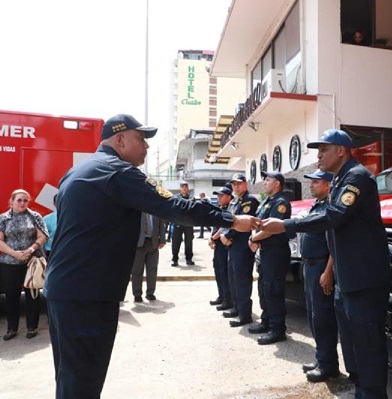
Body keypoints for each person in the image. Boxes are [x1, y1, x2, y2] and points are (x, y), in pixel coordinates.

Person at [44, 114, 259, 399]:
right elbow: (175, 207)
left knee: (70, 377)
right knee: (83, 383)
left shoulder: (79, 171)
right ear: (120, 140)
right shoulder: (118, 171)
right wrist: (230, 220)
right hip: (88, 294)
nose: (146, 147)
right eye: (140, 139)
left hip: (65, 288)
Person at [261, 129, 390, 398]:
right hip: (348, 277)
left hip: (363, 279)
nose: (318, 156)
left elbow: (333, 216)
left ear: (341, 150)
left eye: (323, 150)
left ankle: (371, 393)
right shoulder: (341, 179)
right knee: (352, 343)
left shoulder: (357, 177)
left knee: (367, 344)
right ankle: (359, 388)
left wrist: (285, 225)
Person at [298, 170, 340, 382]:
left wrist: (328, 272)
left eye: (316, 182)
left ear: (328, 185)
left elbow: (334, 246)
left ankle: (328, 366)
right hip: (309, 266)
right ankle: (321, 358)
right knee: (313, 316)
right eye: (311, 182)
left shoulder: (330, 208)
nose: (311, 185)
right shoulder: (316, 205)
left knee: (323, 318)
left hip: (322, 267)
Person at [247, 171, 291, 345]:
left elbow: (272, 228)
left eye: (267, 180)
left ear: (277, 183)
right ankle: (266, 322)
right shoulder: (266, 201)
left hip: (276, 253)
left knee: (273, 290)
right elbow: (256, 223)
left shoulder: (281, 203)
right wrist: (254, 236)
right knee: (263, 289)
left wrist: (253, 239)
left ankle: (277, 329)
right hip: (264, 251)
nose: (264, 182)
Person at [0, 189, 48, 341]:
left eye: (25, 200)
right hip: (9, 263)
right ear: (12, 201)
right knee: (11, 296)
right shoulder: (3, 218)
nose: (22, 203)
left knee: (32, 295)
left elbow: (43, 236)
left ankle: (31, 327)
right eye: (19, 200)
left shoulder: (35, 216)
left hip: (31, 262)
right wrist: (15, 254)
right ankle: (12, 328)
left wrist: (31, 249)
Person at [220, 173, 259, 328]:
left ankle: (245, 315)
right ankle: (237, 308)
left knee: (242, 281)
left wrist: (227, 235)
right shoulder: (234, 201)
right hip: (232, 246)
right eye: (233, 184)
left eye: (238, 184)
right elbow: (227, 220)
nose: (235, 187)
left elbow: (242, 222)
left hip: (242, 246)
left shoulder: (250, 201)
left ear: (245, 184)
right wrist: (223, 234)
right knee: (233, 279)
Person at [131, 212, 166, 303]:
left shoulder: (155, 209)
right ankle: (137, 294)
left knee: (152, 269)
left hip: (153, 243)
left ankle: (150, 293)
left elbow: (161, 224)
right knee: (137, 270)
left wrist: (162, 239)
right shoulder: (136, 209)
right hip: (139, 244)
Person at [208, 185, 234, 309]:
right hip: (218, 244)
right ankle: (221, 295)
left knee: (224, 273)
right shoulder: (220, 208)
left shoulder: (230, 209)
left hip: (225, 245)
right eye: (217, 195)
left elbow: (224, 227)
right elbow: (215, 227)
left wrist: (213, 238)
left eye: (221, 195)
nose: (218, 198)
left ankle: (227, 299)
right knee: (218, 271)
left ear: (229, 197)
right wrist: (211, 238)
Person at [171, 181, 196, 266]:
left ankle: (189, 259)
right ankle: (175, 259)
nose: (184, 188)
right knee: (175, 242)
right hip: (178, 223)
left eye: (186, 186)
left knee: (189, 242)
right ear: (180, 188)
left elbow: (194, 210)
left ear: (188, 188)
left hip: (188, 223)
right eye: (183, 186)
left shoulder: (192, 198)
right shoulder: (176, 197)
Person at [43, 194, 58, 258]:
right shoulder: (46, 219)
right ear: (54, 204)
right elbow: (42, 238)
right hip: (51, 253)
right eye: (58, 201)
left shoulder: (75, 218)